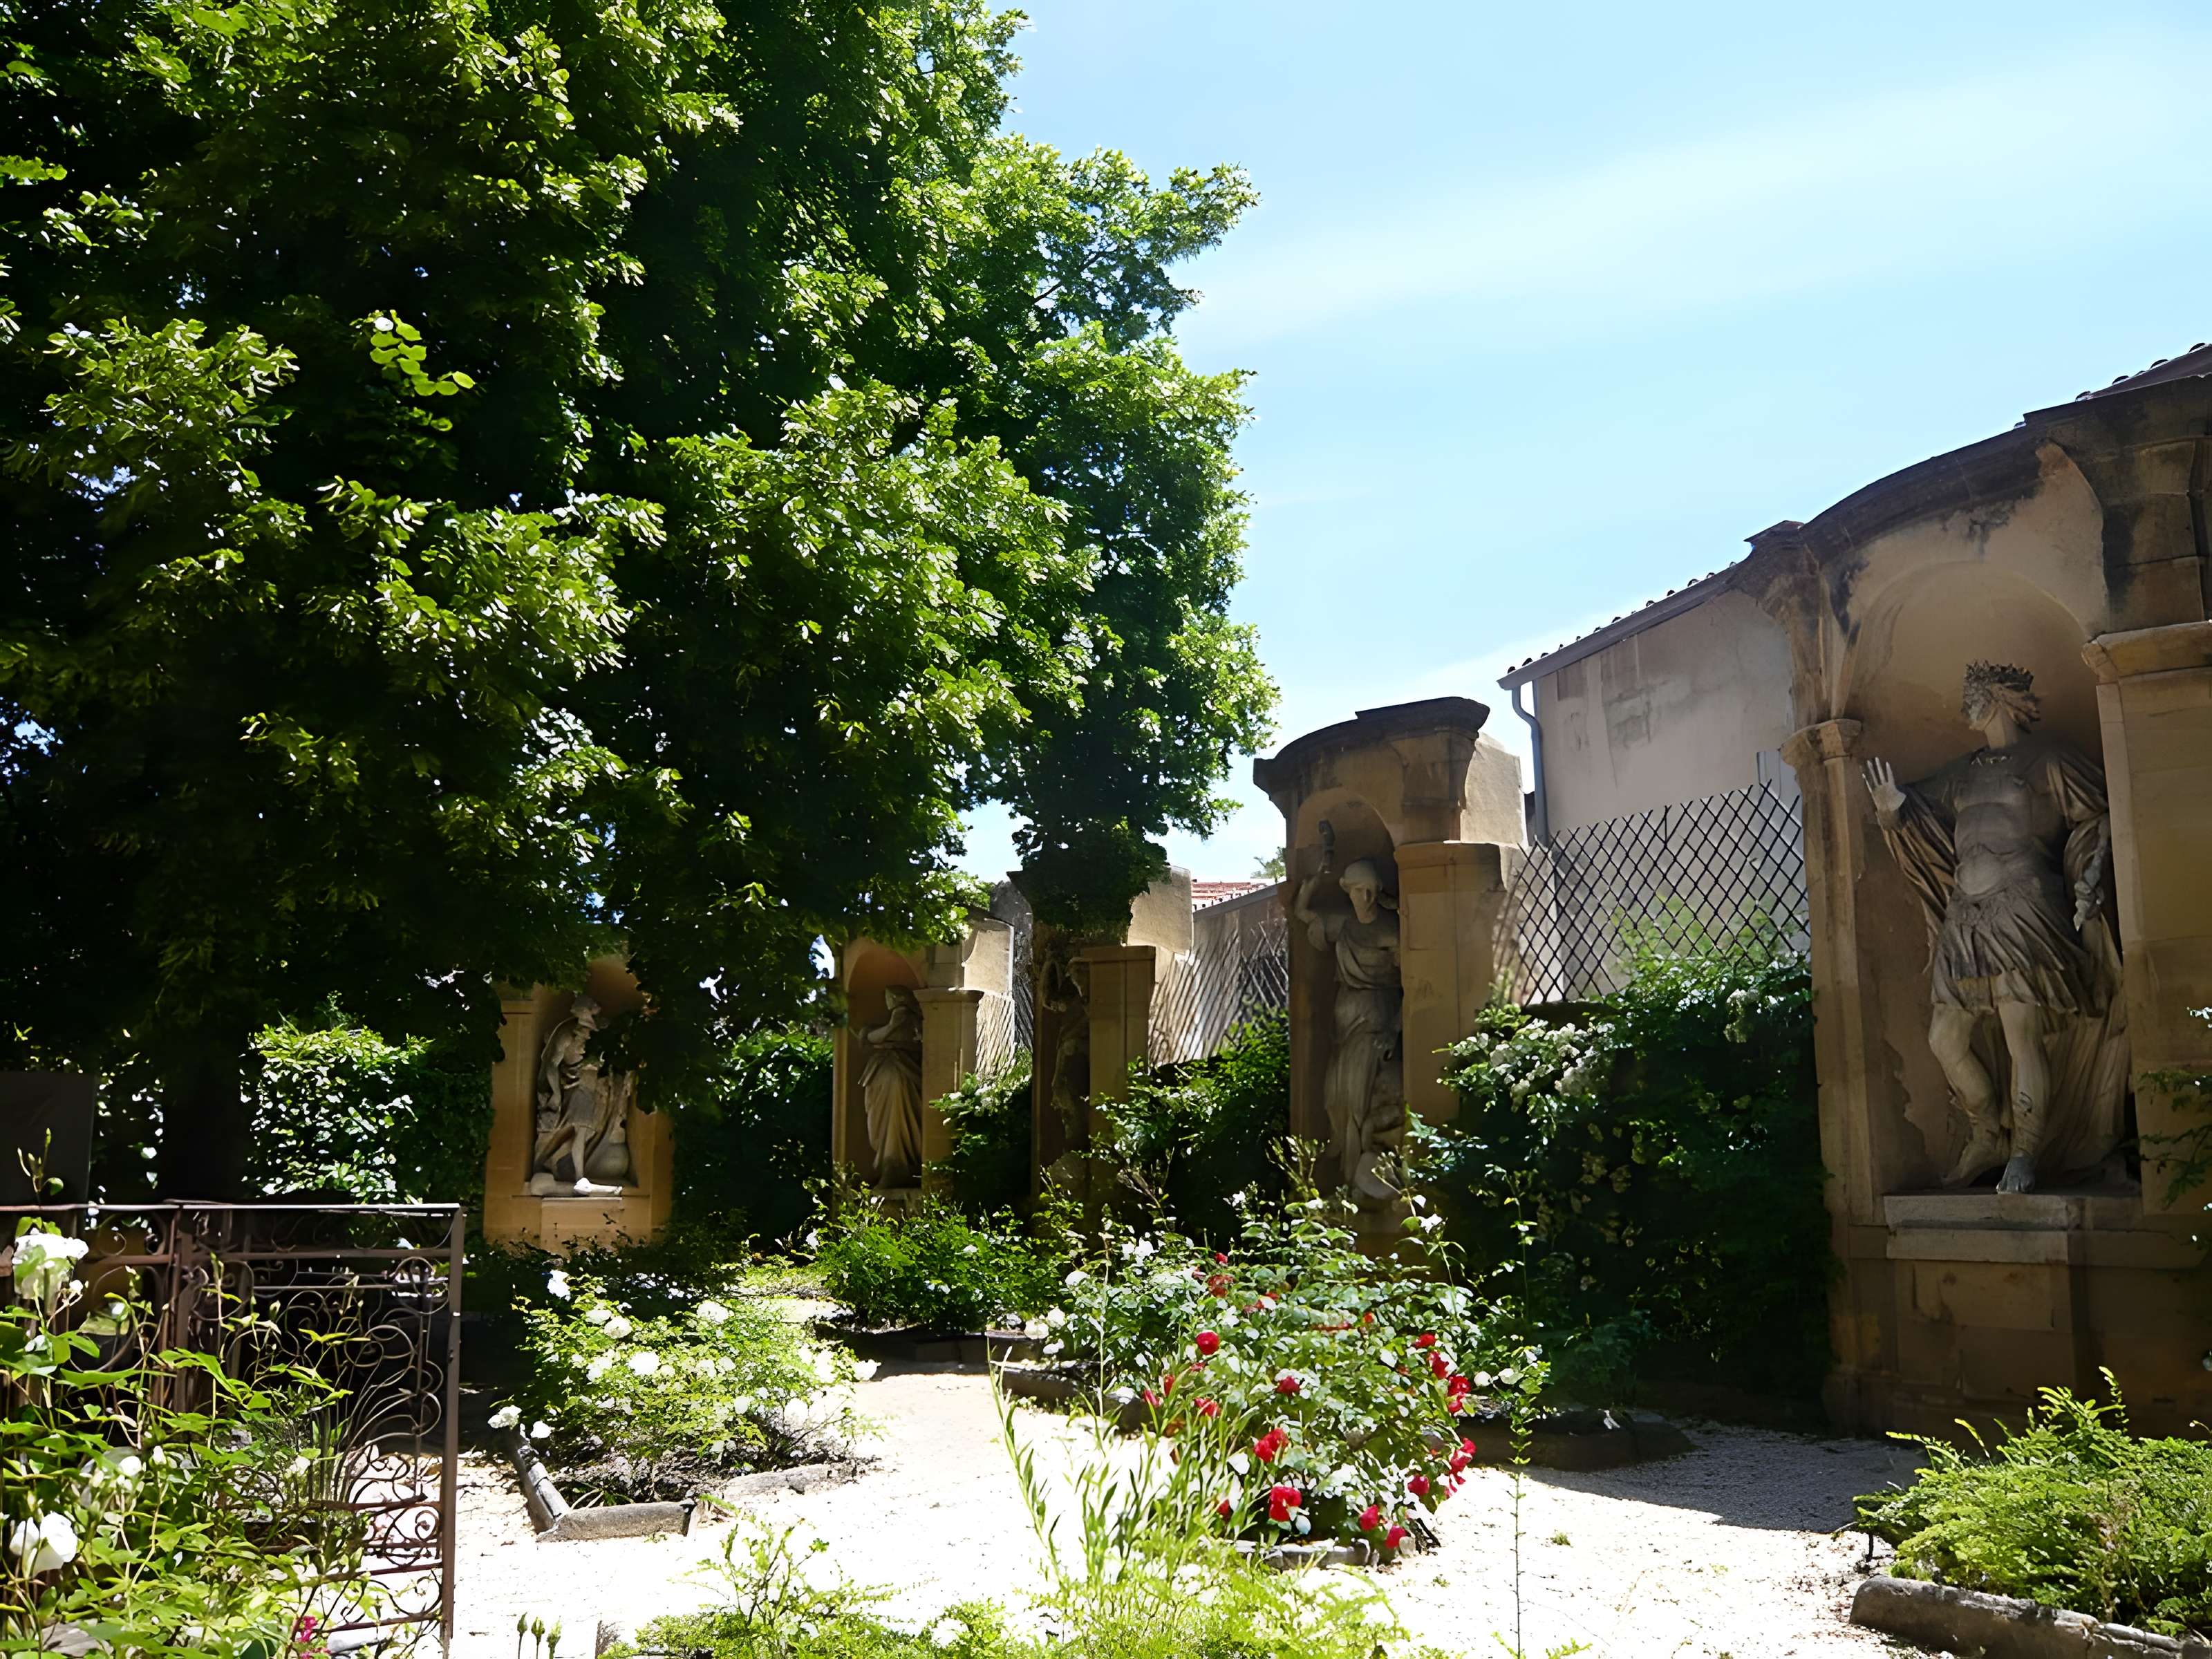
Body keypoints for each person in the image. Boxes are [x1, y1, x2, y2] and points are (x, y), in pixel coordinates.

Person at [1863, 662, 2125, 1193]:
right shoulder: (1961, 770)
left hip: (2025, 908)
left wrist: (2091, 876)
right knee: (1944, 1039)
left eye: (1976, 694)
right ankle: (1987, 1132)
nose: (1967, 707)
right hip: (1966, 915)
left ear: (2004, 699)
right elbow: (1915, 809)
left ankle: (2025, 1152)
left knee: (2019, 1035)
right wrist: (1892, 812)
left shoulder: (2049, 759)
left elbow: (2101, 815)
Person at [1293, 836, 1404, 1204]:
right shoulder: (1342, 925)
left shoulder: (1390, 930)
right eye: (1358, 890)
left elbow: (1417, 973)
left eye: (1371, 891)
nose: (1365, 898)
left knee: (1361, 1091)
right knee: (1336, 1094)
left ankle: (1364, 1175)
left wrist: (1394, 1029)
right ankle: (1346, 1174)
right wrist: (1308, 889)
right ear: (1348, 891)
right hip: (1345, 1019)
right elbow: (1305, 916)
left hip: (1376, 1015)